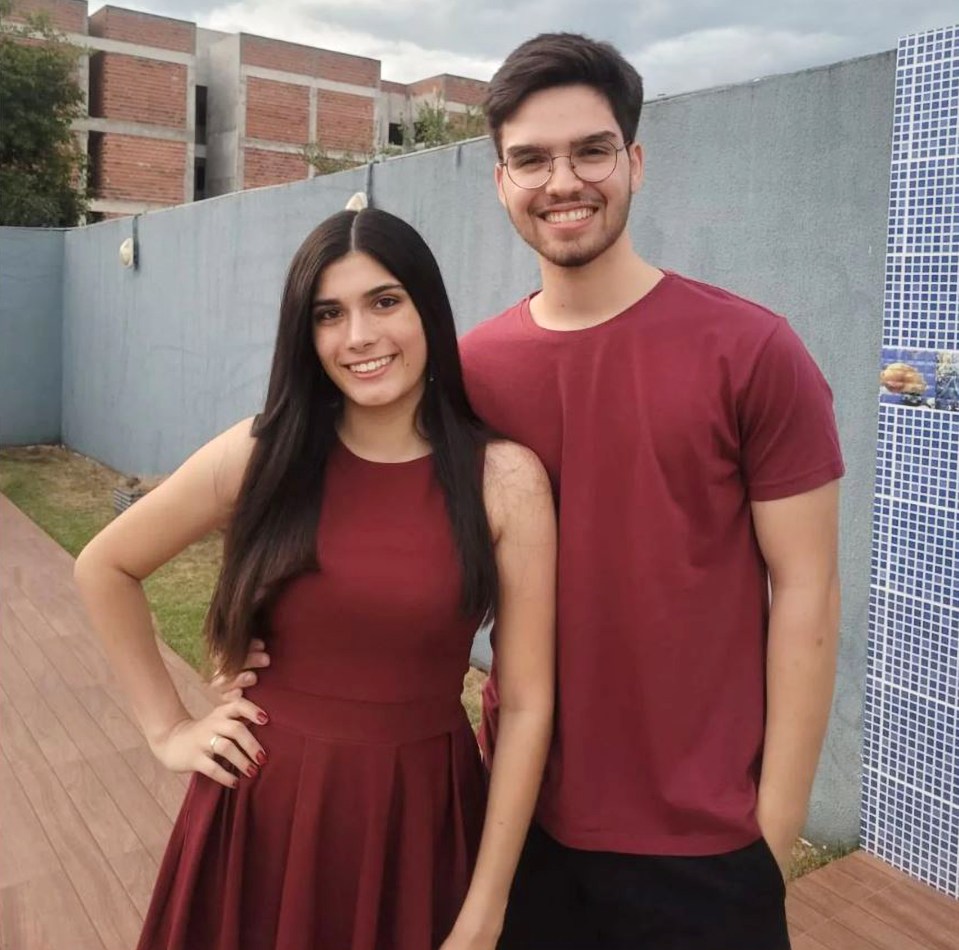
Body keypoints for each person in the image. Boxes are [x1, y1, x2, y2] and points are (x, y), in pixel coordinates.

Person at [223, 32, 844, 950]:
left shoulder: (751, 352)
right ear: (500, 180)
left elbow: (806, 590)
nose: (564, 180)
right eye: (530, 158)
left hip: (706, 845)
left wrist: (774, 824)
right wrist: (254, 661)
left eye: (591, 149)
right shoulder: (467, 373)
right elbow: (354, 513)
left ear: (634, 161)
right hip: (515, 826)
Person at [73, 208, 556, 950]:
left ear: (429, 307)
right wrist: (168, 728)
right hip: (262, 812)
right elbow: (105, 565)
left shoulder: (504, 481)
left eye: (384, 302)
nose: (358, 336)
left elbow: (523, 705)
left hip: (417, 819)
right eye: (329, 314)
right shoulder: (264, 452)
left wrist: (486, 908)